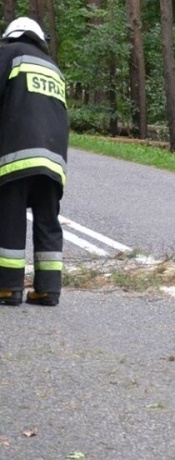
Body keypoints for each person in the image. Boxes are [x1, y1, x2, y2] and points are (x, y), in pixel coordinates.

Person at [0, 17, 69, 307]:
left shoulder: (9, 54)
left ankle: (7, 287)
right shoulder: (53, 69)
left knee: (10, 215)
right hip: (54, 160)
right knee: (47, 221)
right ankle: (48, 290)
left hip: (17, 154)